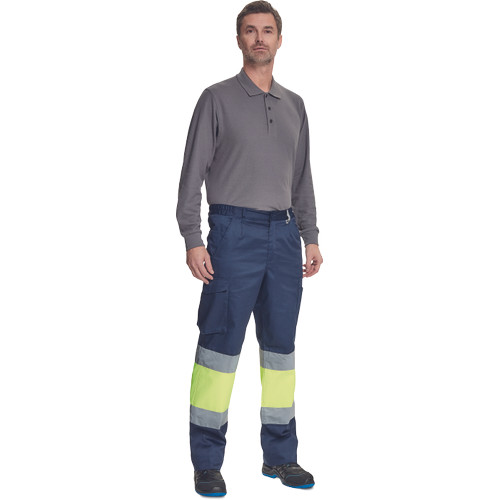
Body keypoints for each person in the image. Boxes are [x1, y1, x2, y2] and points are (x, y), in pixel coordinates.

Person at [176, 1, 323, 496]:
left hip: (283, 237)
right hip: (232, 234)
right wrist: (193, 239)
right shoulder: (215, 99)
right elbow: (191, 175)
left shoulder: (295, 105)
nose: (259, 38)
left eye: (268, 30)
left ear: (280, 39)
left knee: (280, 351)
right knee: (218, 350)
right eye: (250, 30)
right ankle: (206, 462)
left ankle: (280, 457)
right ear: (238, 39)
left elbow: (302, 179)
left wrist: (311, 236)